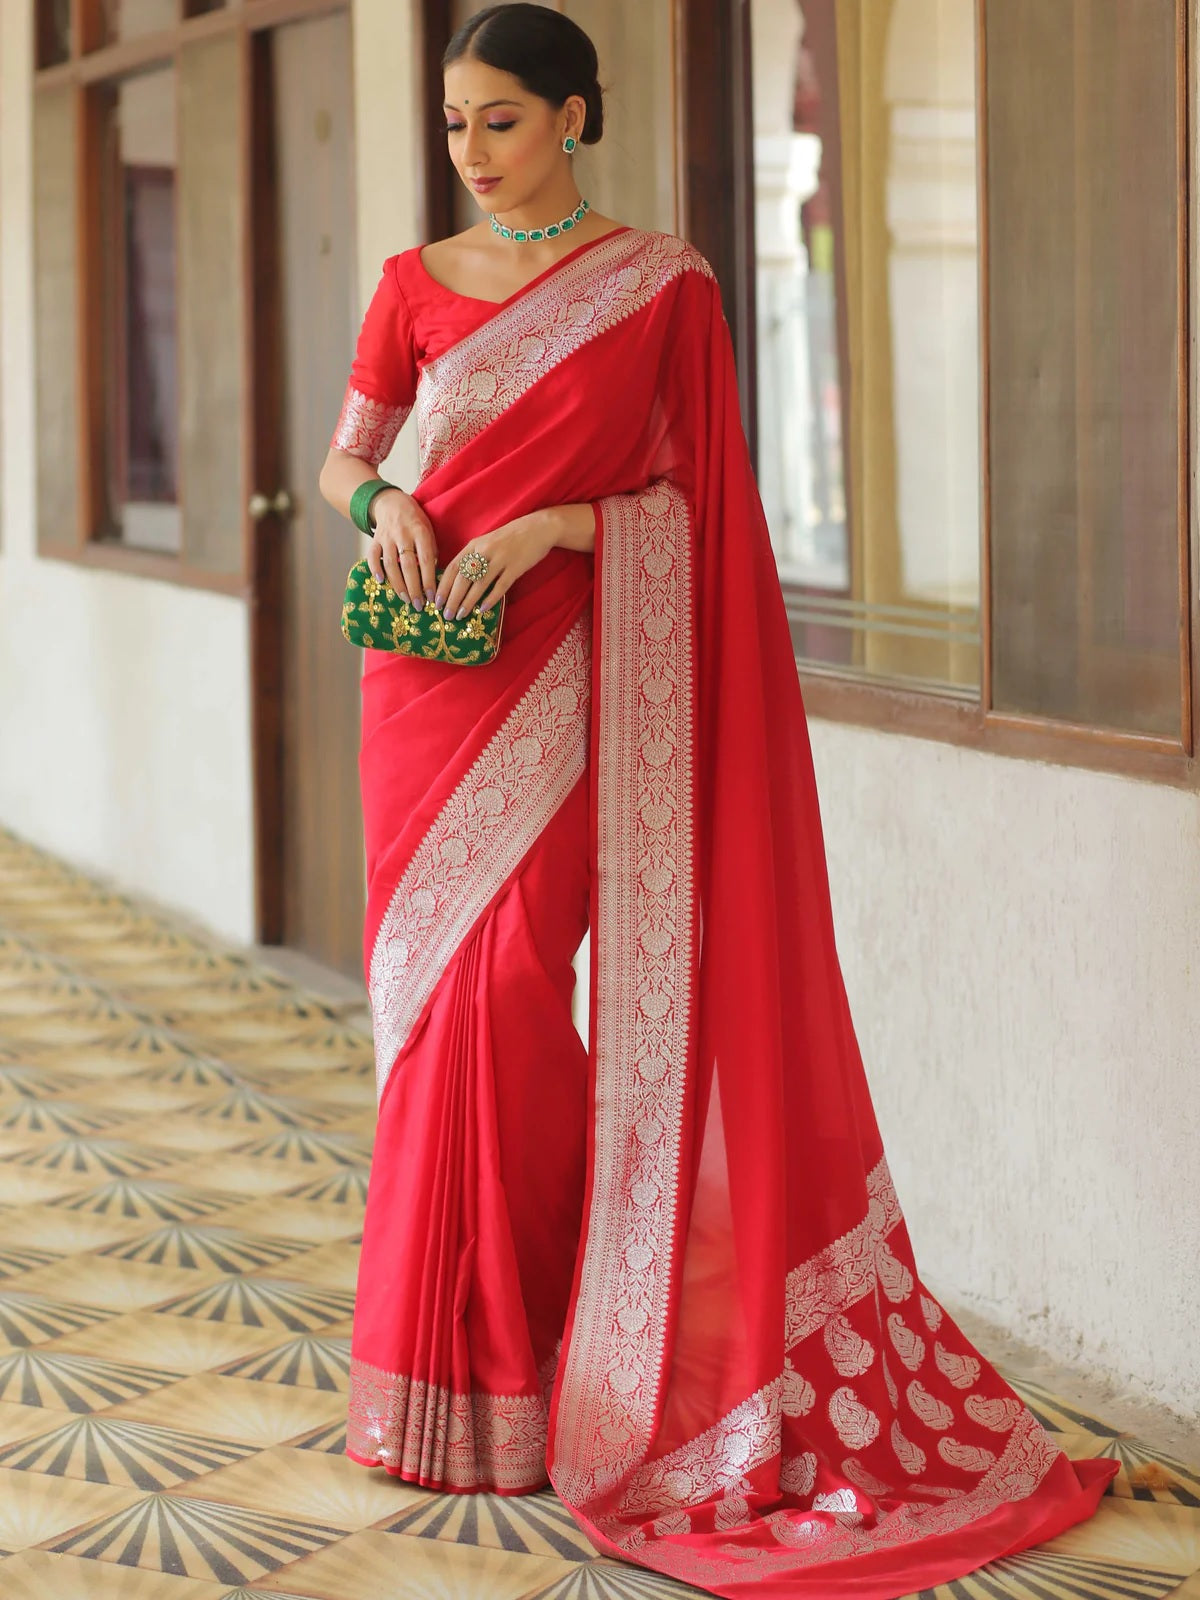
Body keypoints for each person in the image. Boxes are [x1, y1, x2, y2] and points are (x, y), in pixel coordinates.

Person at [317, 7, 1117, 1595]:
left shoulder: (661, 287)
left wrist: (549, 532)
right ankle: (444, 1389)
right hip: (425, 686)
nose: (473, 154)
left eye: (502, 122)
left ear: (576, 115)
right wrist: (390, 497)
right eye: (457, 126)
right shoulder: (410, 288)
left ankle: (554, 1363)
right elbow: (342, 464)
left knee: (512, 1000)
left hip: (565, 683)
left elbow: (704, 516)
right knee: (435, 1017)